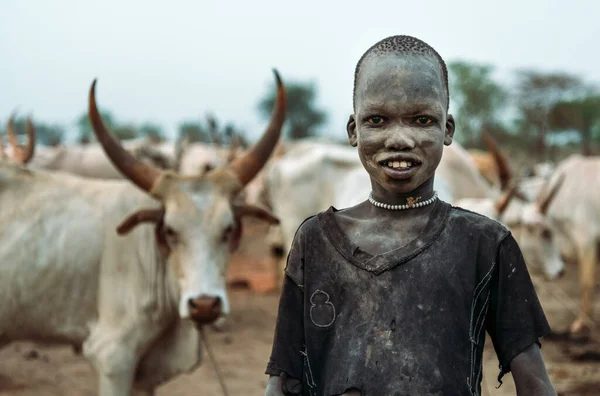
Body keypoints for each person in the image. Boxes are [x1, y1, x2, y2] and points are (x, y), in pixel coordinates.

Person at [264, 35, 556, 396]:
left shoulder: (486, 243)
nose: (399, 139)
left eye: (421, 119)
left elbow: (536, 384)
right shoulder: (315, 240)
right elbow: (281, 380)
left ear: (446, 129)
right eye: (377, 120)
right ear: (354, 130)